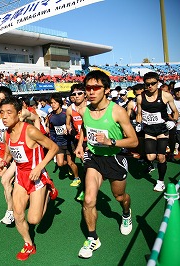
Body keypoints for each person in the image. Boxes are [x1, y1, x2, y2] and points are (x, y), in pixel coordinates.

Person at [74, 70, 138, 259]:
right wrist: (80, 144)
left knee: (119, 197)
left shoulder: (117, 111)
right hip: (94, 158)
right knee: (88, 200)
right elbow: (85, 128)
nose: (91, 91)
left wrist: (111, 142)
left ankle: (126, 213)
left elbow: (134, 141)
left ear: (106, 90)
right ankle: (93, 238)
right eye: (88, 88)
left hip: (115, 159)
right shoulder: (84, 109)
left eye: (96, 87)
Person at [0, 96, 58, 261]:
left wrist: (38, 168)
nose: (5, 116)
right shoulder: (7, 133)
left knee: (34, 219)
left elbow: (53, 147)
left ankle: (48, 193)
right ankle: (28, 244)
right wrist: (3, 162)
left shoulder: (29, 130)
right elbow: (10, 154)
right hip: (21, 177)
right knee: (18, 214)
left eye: (9, 112)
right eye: (2, 113)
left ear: (18, 113)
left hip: (37, 177)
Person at [136, 72, 178, 192]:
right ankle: (155, 164)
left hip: (162, 129)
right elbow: (139, 114)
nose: (150, 86)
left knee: (160, 157)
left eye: (153, 83)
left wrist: (174, 121)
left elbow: (175, 111)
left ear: (158, 83)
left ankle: (160, 181)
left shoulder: (166, 96)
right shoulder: (140, 97)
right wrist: (138, 124)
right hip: (149, 129)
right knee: (150, 157)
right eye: (147, 84)